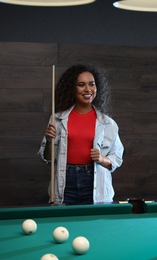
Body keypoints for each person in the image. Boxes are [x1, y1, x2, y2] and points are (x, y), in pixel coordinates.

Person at [38, 64, 124, 205]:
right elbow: (48, 159)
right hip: (65, 181)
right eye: (81, 85)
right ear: (72, 88)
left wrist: (102, 159)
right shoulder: (57, 120)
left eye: (91, 84)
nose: (87, 89)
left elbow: (117, 158)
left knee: (95, 224)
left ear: (97, 87)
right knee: (64, 225)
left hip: (94, 181)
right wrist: (49, 141)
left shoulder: (108, 123)